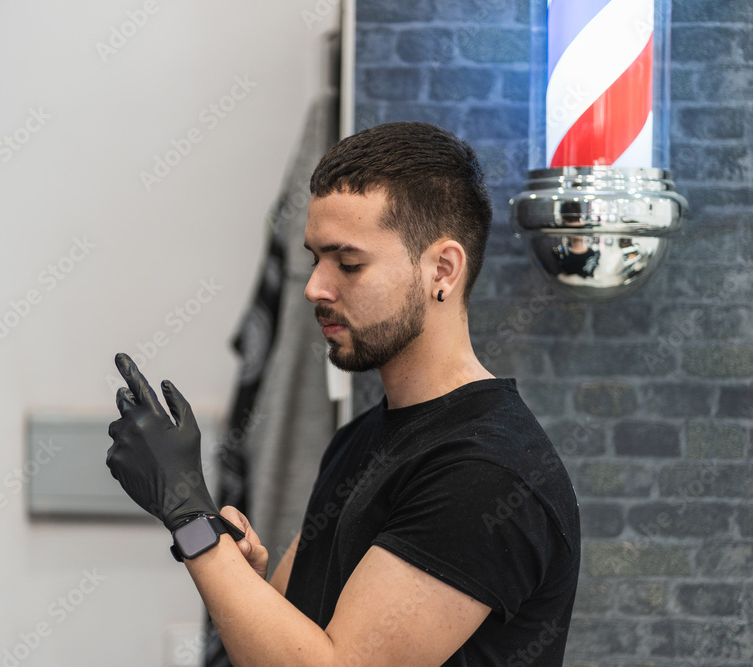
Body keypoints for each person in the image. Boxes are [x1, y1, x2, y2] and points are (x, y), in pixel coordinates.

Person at [106, 121, 580, 666]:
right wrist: (240, 573)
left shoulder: (487, 472)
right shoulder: (359, 440)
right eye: (315, 259)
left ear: (442, 270)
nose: (314, 288)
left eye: (348, 263)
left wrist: (187, 513)